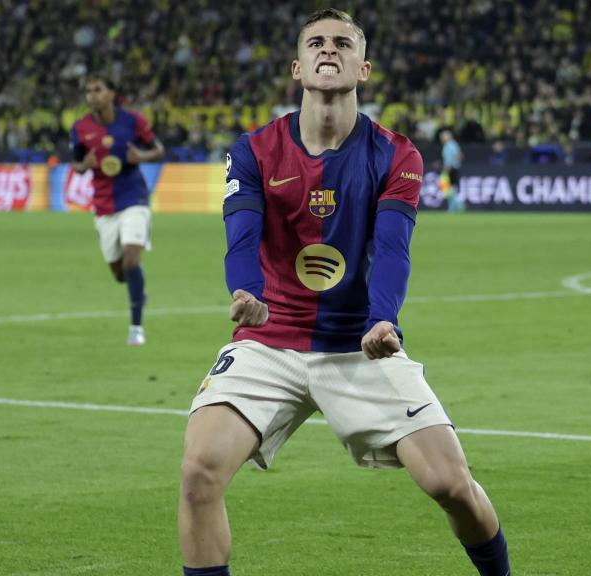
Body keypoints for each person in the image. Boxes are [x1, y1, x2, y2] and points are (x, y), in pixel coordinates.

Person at [178, 9, 510, 576]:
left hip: (361, 342)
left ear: (363, 67)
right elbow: (241, 234)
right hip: (269, 338)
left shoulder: (395, 153)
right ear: (297, 66)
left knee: (450, 484)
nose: (328, 51)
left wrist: (384, 319)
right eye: (316, 43)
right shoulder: (253, 150)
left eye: (341, 43)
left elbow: (393, 247)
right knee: (199, 472)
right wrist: (246, 291)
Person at [70, 74, 165, 346]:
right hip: (103, 206)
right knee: (120, 272)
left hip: (134, 199)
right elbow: (76, 164)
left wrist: (141, 157)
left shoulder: (133, 121)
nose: (92, 95)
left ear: (112, 93)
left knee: (132, 258)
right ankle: (139, 288)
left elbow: (158, 149)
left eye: (97, 89)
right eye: (88, 91)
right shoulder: (80, 128)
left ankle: (136, 328)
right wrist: (85, 164)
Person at [441, 128, 464, 212]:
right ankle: (454, 206)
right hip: (450, 168)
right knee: (447, 188)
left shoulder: (451, 145)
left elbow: (458, 155)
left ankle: (457, 205)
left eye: (444, 136)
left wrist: (452, 165)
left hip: (451, 169)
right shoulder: (449, 145)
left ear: (449, 136)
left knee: (449, 188)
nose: (442, 138)